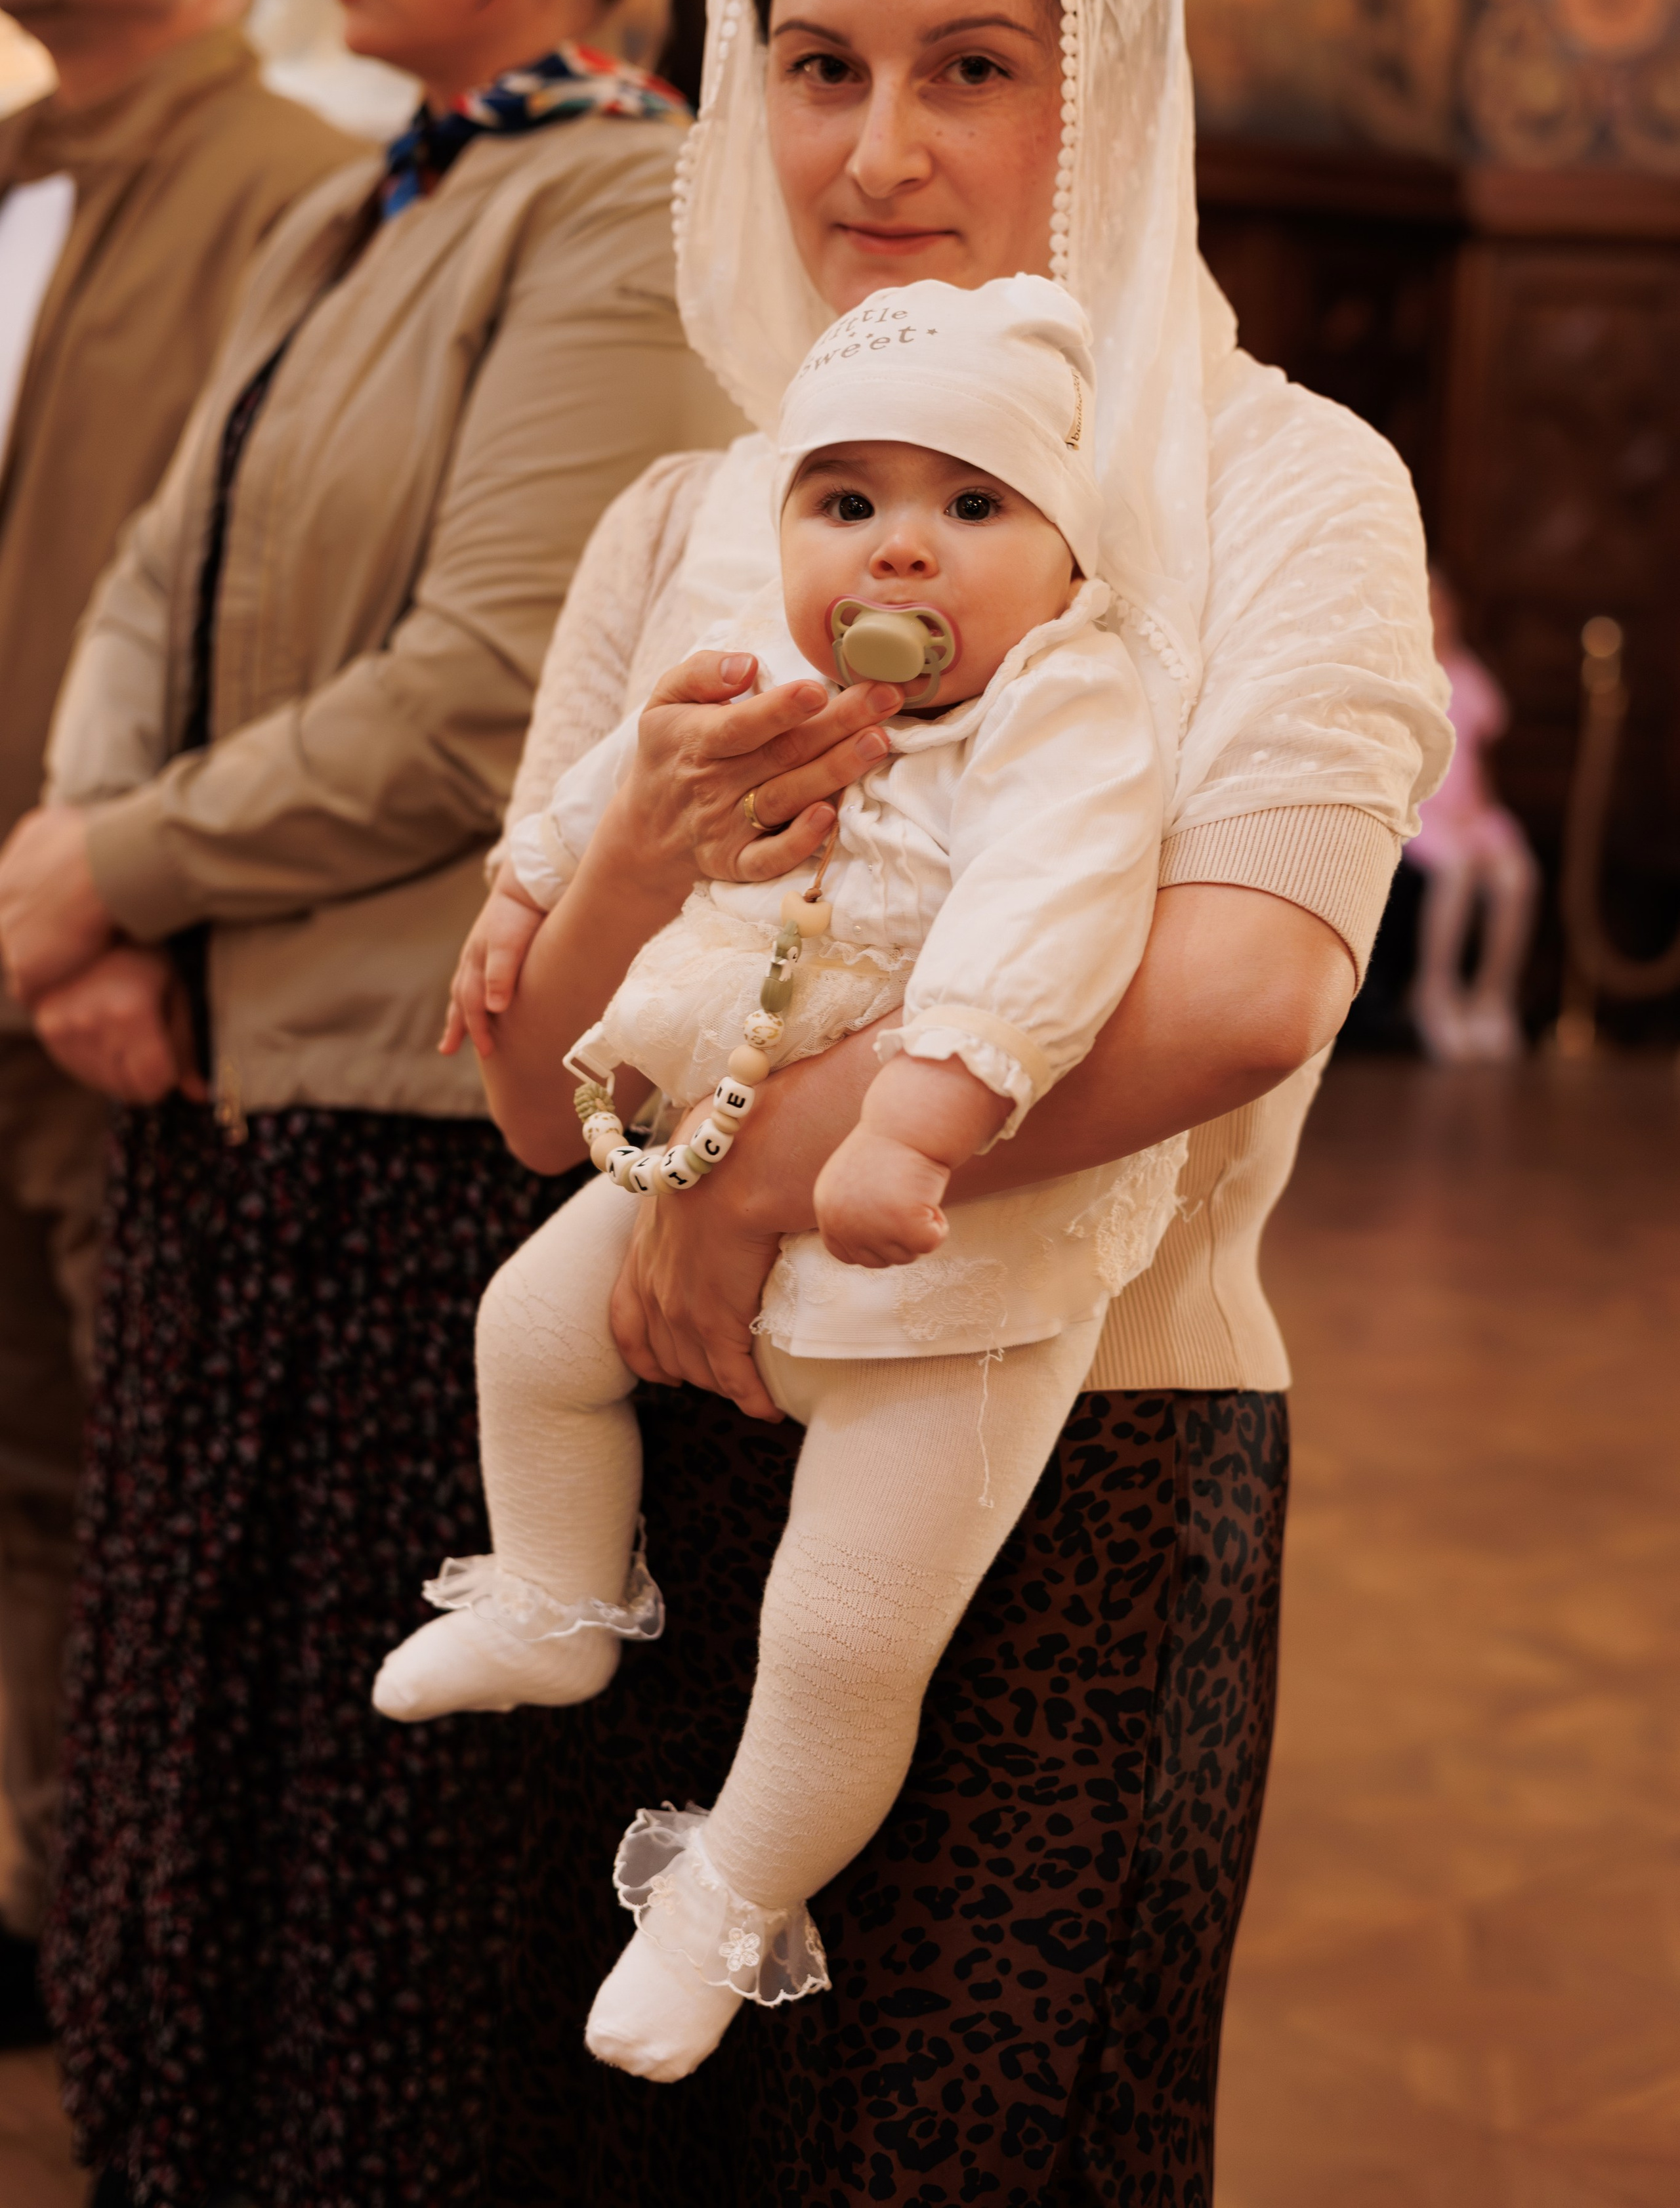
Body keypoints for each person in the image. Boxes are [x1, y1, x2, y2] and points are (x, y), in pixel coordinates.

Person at [469, 0, 1451, 2203]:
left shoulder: (1280, 481)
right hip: (658, 1453)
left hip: (1076, 1450)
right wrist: (624, 861)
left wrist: (731, 1180)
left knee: (972, 2146)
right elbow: (512, 1091)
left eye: (971, 65)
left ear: (1104, 87)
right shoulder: (696, 514)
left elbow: (1232, 989)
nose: (876, 144)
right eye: (815, 64)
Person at [0, 0, 737, 2198]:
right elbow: (145, 583)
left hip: (423, 1141)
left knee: (367, 1880)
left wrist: (117, 873)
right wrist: (98, 884)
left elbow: (481, 695)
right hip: (238, 1097)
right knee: (173, 1818)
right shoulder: (368, 195)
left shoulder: (617, 204)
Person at [375, 276, 1193, 2085]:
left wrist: (916, 1122)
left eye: (971, 508)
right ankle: (549, 1591)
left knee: (841, 1631)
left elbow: (1052, 913)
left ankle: (725, 1899)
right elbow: (608, 781)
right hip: (720, 1141)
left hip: (957, 1238)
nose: (900, 553)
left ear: (1066, 557)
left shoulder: (1068, 708)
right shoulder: (770, 663)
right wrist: (523, 894)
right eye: (849, 506)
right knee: (526, 1323)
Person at [0, 0, 359, 2049]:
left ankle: (186, 1958)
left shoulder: (303, 193)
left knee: (165, 1479)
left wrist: (146, 914)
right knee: (22, 1467)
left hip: (130, 951)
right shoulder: (12, 174)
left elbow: (282, 595)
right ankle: (55, 1908)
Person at [1404, 568, 1538, 1062]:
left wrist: (1482, 814)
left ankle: (1491, 995)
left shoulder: (1469, 673)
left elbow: (1479, 760)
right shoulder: (1406, 673)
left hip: (1471, 809)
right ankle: (1434, 991)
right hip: (1422, 808)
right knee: (1456, 870)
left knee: (1515, 875)